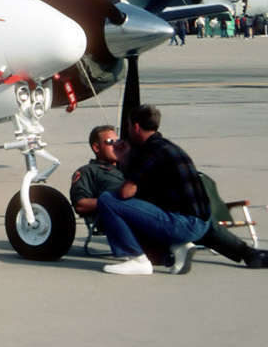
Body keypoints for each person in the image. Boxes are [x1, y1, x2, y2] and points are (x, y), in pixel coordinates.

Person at [94, 105, 266, 275]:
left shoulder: (150, 152)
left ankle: (138, 259)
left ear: (136, 126)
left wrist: (123, 158)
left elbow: (125, 193)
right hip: (204, 222)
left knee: (108, 199)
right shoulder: (169, 147)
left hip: (184, 225)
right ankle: (182, 247)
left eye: (129, 126)